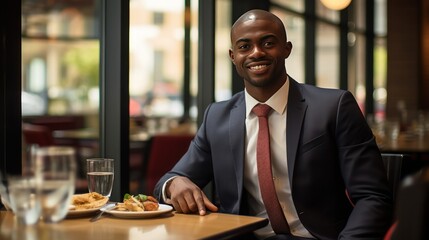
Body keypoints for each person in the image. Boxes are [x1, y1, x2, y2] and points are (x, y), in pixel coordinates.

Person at [154, 9, 393, 240]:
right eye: (244, 46)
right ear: (233, 56)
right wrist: (174, 183)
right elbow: (171, 179)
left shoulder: (334, 107)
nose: (256, 53)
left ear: (287, 49)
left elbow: (373, 196)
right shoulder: (217, 116)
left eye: (268, 43)